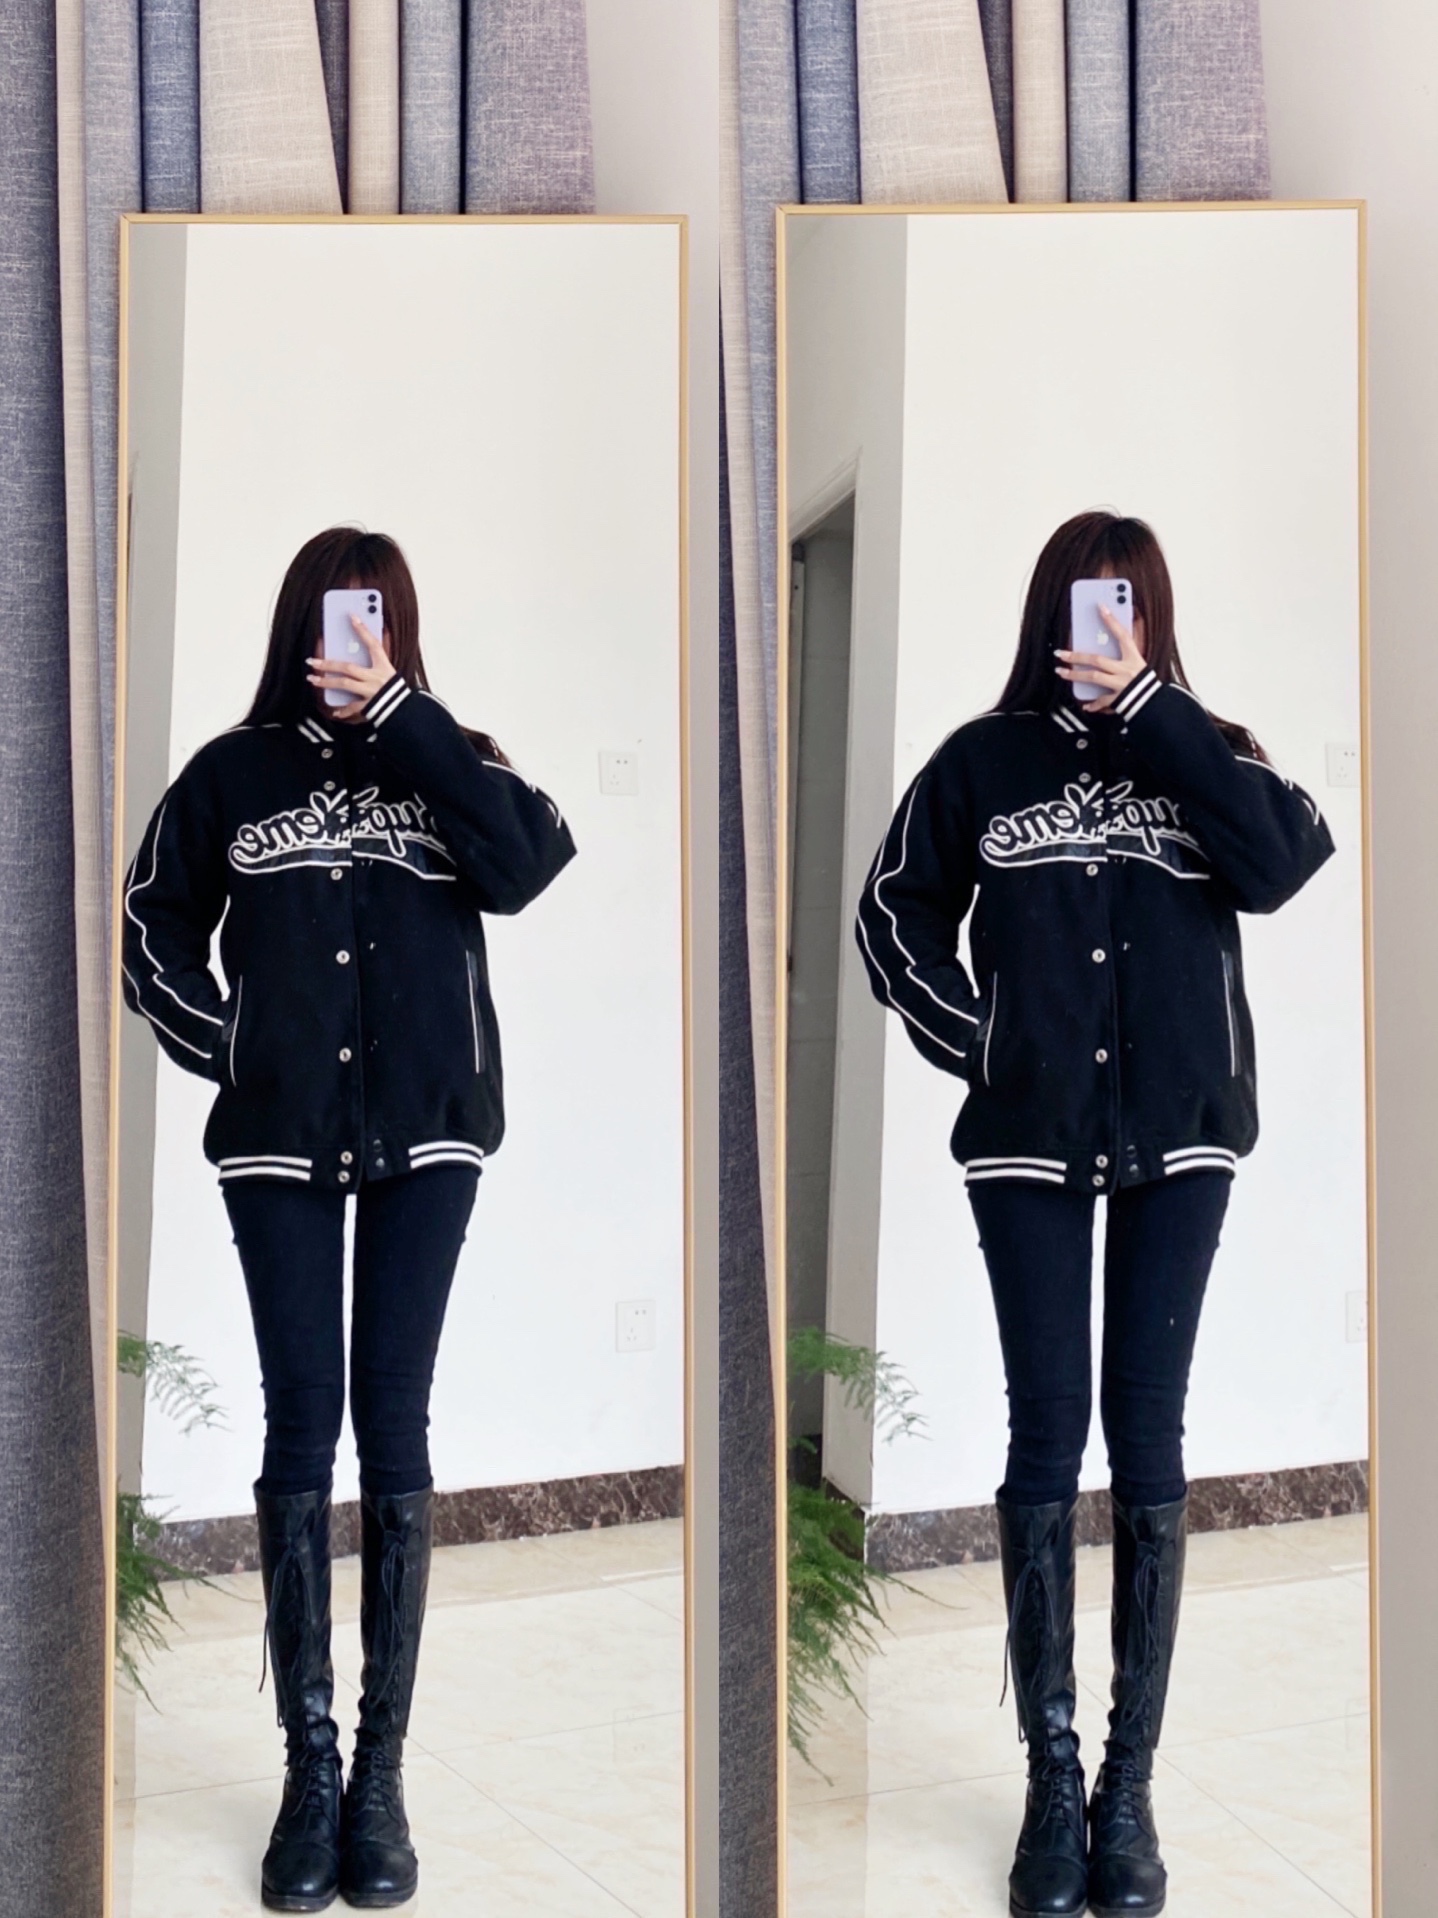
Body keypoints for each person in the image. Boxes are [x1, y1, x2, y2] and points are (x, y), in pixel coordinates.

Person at [855, 511, 1333, 1918]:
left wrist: (1155, 714)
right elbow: (890, 916)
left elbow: (1284, 861)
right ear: (1046, 611)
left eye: (1123, 601)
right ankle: (1050, 1779)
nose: (1100, 623)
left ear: (1152, 613)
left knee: (1149, 1435)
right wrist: (985, 1044)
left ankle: (1127, 1786)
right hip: (1028, 1143)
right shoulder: (979, 762)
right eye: (1081, 599)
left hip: (1183, 1137)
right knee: (1045, 1432)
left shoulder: (1210, 749)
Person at [122, 527, 576, 1913]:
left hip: (427, 1138)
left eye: (371, 615)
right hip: (278, 1144)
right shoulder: (229, 774)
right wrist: (235, 1047)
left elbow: (530, 862)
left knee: (394, 1419)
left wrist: (403, 719)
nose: (350, 636)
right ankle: (307, 1770)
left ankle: (379, 1775)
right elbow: (149, 927)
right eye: (332, 614)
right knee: (299, 1422)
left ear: (398, 625)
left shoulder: (453, 757)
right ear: (296, 625)